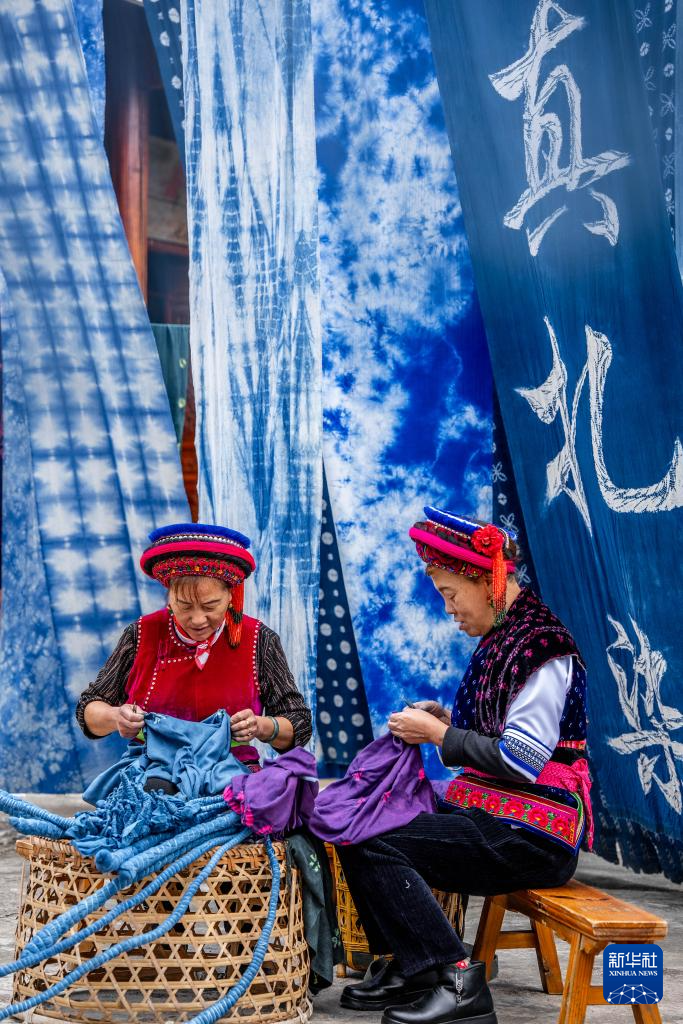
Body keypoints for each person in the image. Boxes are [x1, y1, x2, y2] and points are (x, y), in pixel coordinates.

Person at [337, 506, 591, 1024]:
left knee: (372, 838)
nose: (448, 608)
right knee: (359, 820)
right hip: (495, 815)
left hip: (531, 833)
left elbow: (522, 761)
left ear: (485, 580)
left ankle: (457, 980)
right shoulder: (504, 637)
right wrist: (446, 721)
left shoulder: (544, 648)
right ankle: (414, 967)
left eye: (451, 593)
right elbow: (506, 733)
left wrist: (440, 737)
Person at [76, 523, 312, 768]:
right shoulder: (141, 634)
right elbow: (89, 709)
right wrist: (116, 717)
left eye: (210, 606)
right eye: (184, 605)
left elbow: (299, 722)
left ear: (231, 595)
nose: (198, 620)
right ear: (169, 596)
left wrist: (262, 726)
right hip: (152, 769)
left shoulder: (259, 639)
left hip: (231, 772)